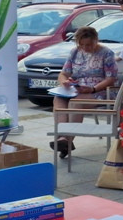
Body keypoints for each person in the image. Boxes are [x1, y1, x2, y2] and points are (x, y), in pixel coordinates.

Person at [50, 25, 119, 159]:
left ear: (96, 40)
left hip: (100, 90)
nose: (85, 48)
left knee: (76, 103)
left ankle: (66, 140)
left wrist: (93, 88)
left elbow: (111, 78)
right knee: (58, 99)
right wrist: (65, 81)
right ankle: (64, 138)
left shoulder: (107, 53)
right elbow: (63, 73)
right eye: (82, 45)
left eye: (89, 44)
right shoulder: (75, 52)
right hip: (78, 88)